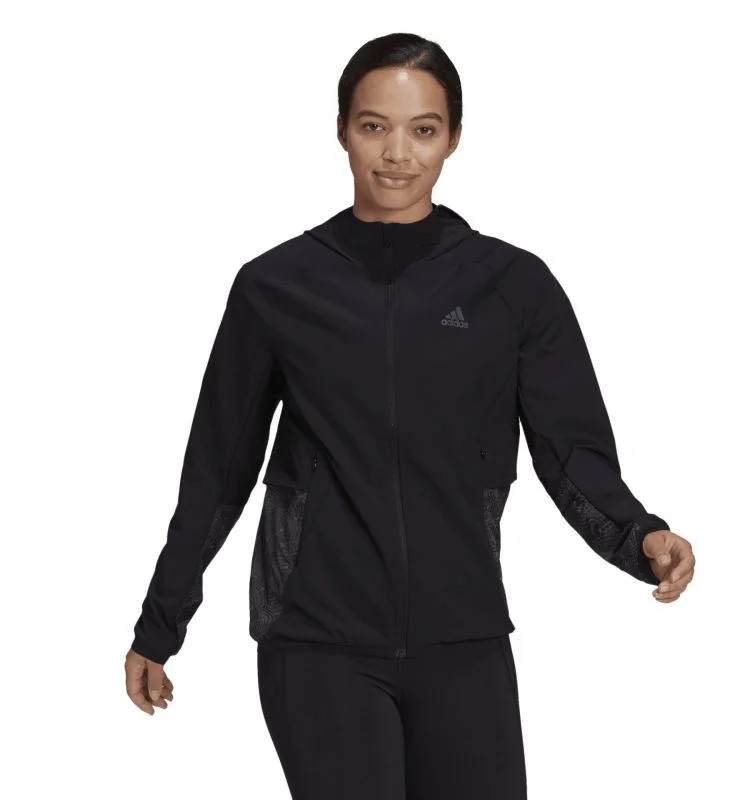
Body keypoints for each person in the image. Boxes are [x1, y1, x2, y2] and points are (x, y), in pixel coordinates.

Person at [125, 32, 695, 799]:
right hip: (316, 642)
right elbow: (218, 470)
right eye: (374, 126)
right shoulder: (276, 286)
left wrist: (641, 535)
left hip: (465, 636)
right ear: (341, 130)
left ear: (454, 137)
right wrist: (161, 622)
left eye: (423, 129)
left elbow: (572, 454)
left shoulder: (512, 286)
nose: (398, 154)